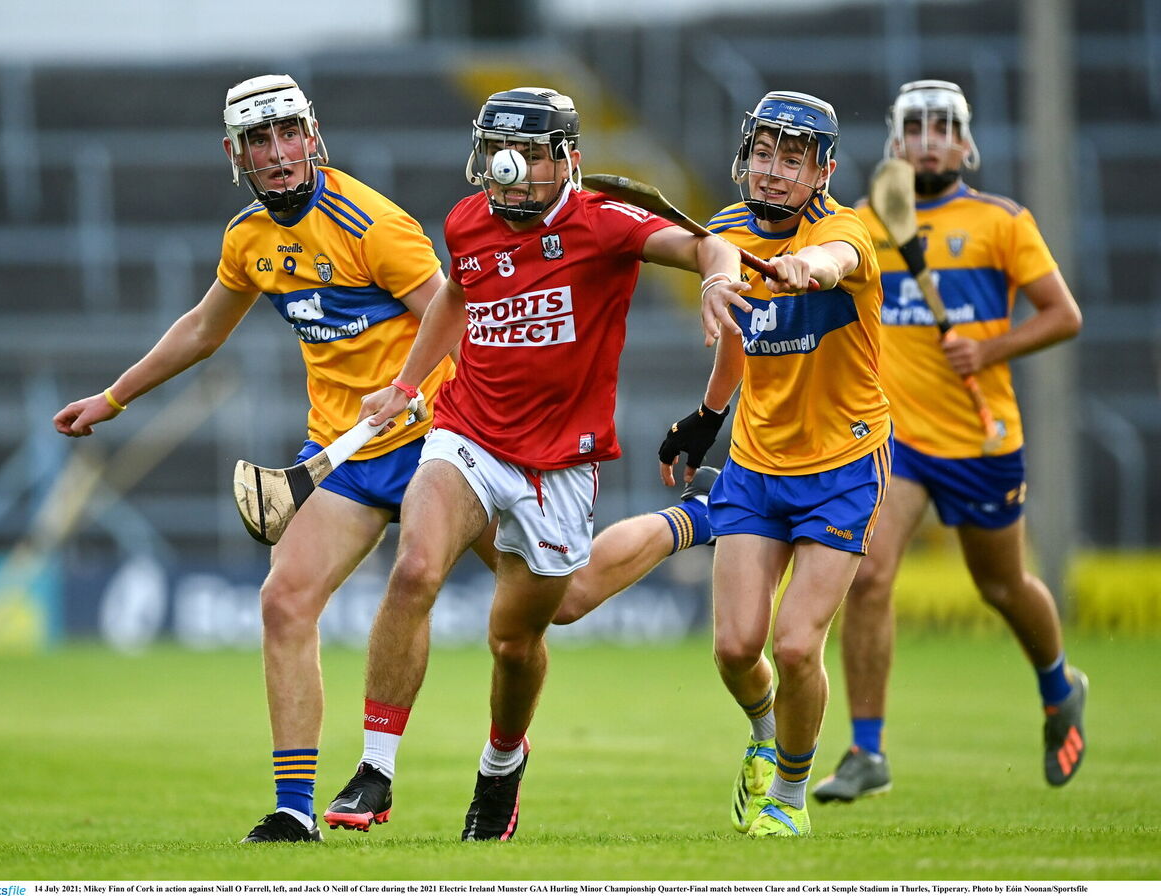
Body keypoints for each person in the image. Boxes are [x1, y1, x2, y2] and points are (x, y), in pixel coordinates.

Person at [320, 86, 744, 841]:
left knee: (529, 633)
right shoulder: (466, 220)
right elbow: (456, 295)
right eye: (493, 153)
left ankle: (502, 763)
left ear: (565, 158)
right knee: (416, 567)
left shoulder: (605, 224)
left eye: (524, 157)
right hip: (467, 435)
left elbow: (710, 244)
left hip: (560, 463)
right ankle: (375, 769)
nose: (506, 172)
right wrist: (407, 384)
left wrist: (716, 276)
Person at [53, 74, 460, 844]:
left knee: (545, 603)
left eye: (287, 134)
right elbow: (205, 328)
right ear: (234, 154)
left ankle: (500, 760)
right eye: (258, 141)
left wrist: (408, 389)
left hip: (438, 436)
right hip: (341, 453)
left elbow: (453, 315)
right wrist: (115, 398)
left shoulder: (373, 222)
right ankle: (295, 809)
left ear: (312, 134)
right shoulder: (248, 238)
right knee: (283, 602)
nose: (276, 155)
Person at [812, 80, 1085, 803]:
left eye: (944, 127)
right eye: (915, 127)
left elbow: (1063, 316)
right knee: (868, 576)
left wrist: (990, 352)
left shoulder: (1001, 222)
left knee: (1000, 585)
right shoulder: (861, 227)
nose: (930, 139)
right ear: (895, 144)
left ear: (966, 144)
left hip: (980, 436)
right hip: (893, 441)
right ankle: (867, 751)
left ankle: (1060, 688)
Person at [664, 91, 890, 838]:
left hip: (843, 462)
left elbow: (839, 259)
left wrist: (809, 270)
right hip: (758, 466)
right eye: (764, 154)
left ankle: (788, 799)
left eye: (792, 159)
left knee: (796, 644)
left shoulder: (845, 230)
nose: (772, 171)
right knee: (734, 648)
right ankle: (766, 734)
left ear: (822, 169)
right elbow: (724, 272)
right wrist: (706, 418)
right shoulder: (729, 229)